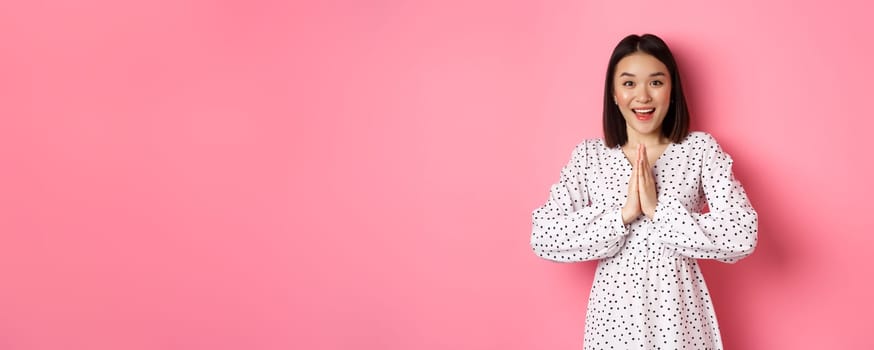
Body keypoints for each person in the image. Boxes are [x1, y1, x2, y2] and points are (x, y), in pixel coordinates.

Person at [529, 33, 758, 349]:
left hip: (679, 321)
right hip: (613, 324)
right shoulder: (589, 156)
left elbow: (742, 234)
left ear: (672, 89)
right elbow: (543, 236)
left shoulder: (700, 150)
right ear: (613, 93)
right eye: (628, 83)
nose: (643, 96)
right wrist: (623, 215)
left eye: (655, 82)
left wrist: (658, 211)